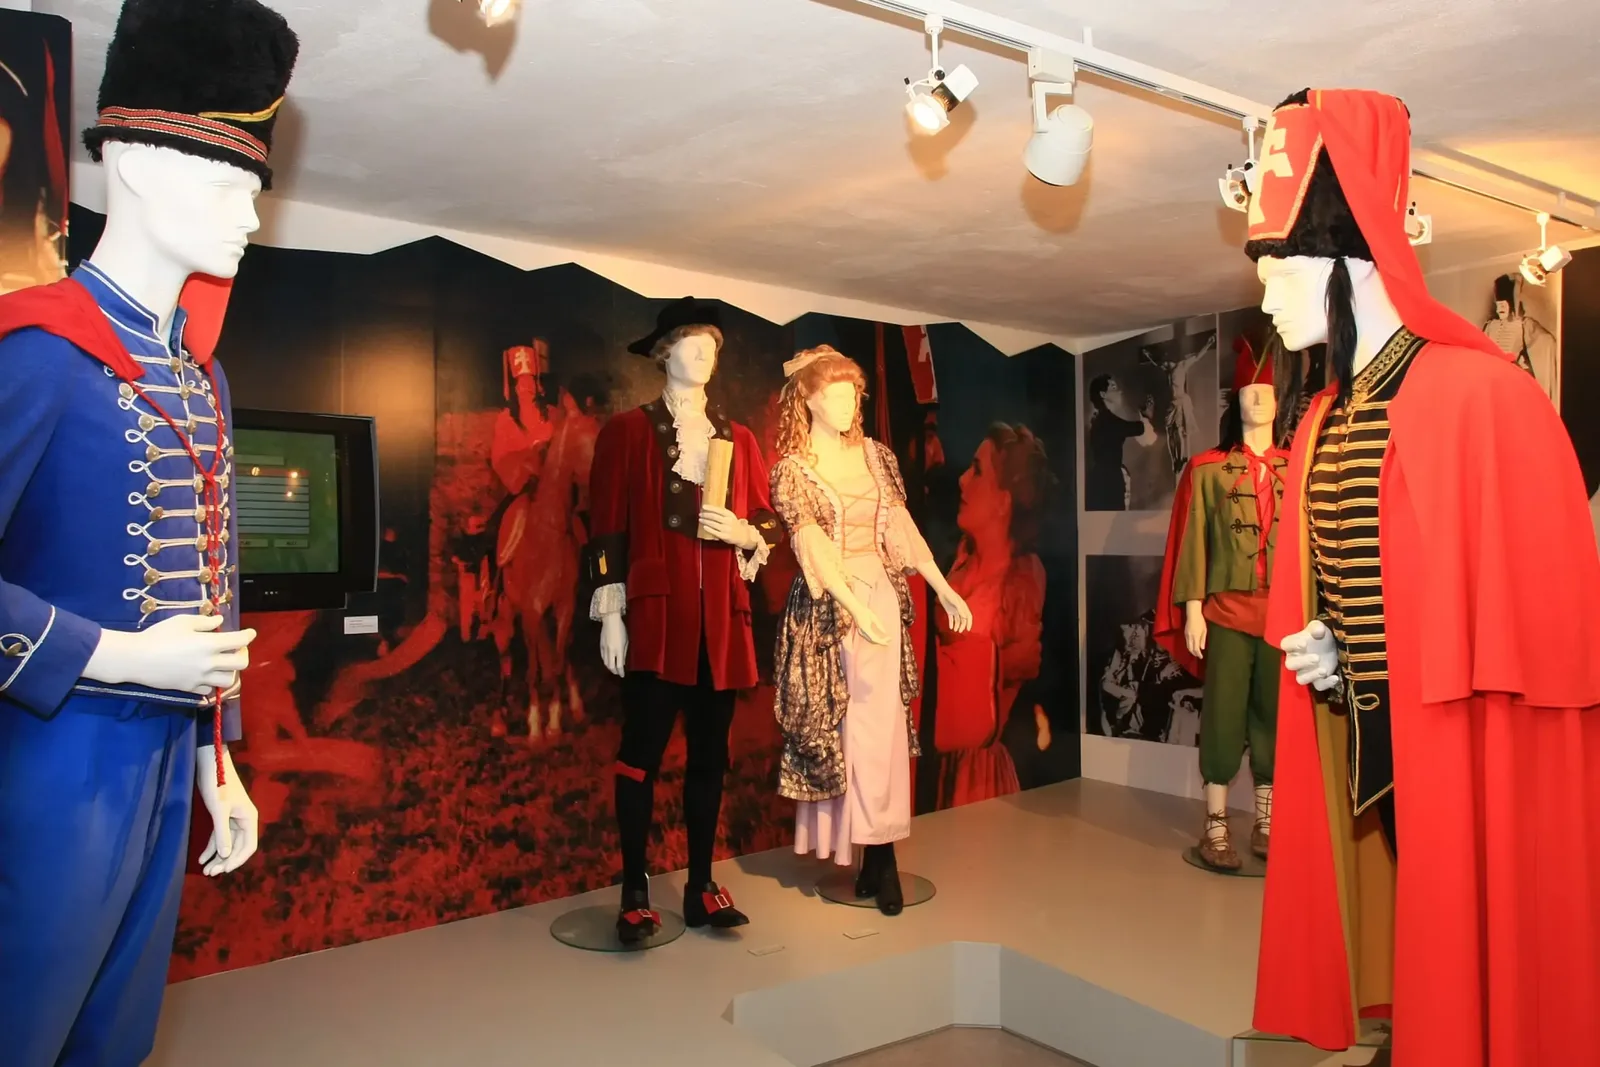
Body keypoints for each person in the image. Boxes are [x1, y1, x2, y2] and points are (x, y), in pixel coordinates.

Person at [1246, 88, 1600, 1067]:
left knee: (1476, 936)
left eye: (1280, 271)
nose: (1266, 298)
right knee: (1418, 925)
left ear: (1345, 261)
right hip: (1381, 746)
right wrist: (1332, 643)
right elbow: (1364, 575)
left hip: (1467, 741)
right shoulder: (1326, 418)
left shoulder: (1485, 397)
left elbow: (1532, 613)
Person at [0, 1, 297, 1063]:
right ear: (130, 160)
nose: (250, 215)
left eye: (255, 185)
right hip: (51, 753)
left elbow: (213, 579)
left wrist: (217, 756)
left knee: (116, 1037)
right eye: (226, 181)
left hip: (168, 756)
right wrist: (120, 656)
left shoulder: (202, 377)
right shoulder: (38, 350)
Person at [583, 297, 784, 943]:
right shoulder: (627, 432)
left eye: (712, 347)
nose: (704, 356)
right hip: (656, 618)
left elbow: (768, 521)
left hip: (720, 623)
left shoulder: (738, 438)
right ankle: (634, 889)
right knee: (641, 754)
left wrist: (744, 532)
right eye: (692, 344)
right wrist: (612, 614)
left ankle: (701, 884)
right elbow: (606, 526)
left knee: (709, 758)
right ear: (663, 351)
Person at [768, 346, 971, 915]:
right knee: (846, 732)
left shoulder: (877, 456)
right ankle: (870, 858)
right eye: (833, 394)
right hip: (831, 607)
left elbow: (900, 530)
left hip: (881, 592)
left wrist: (943, 586)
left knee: (881, 731)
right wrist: (855, 608)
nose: (846, 404)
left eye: (852, 394)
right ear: (807, 399)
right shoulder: (794, 469)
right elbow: (811, 548)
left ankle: (882, 857)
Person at [1155, 339, 1288, 871]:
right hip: (1227, 614)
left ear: (1278, 402)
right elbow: (1193, 543)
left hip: (1282, 617)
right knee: (1224, 716)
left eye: (1266, 393)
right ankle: (1215, 826)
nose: (1257, 401)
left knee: (1273, 717)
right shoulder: (1208, 470)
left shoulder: (1296, 468)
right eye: (1249, 392)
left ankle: (1266, 820)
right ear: (1237, 401)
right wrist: (1192, 609)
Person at [935, 424, 1052, 806]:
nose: (962, 480)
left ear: (1004, 500)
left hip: (976, 772)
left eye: (977, 470)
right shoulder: (960, 562)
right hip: (938, 761)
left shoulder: (1023, 576)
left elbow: (1010, 669)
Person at [1084, 374, 1156, 510]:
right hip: (1109, 481)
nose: (1120, 391)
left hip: (1103, 479)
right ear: (1103, 394)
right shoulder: (1106, 420)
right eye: (1113, 388)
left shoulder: (1102, 418)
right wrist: (1146, 417)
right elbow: (1135, 428)